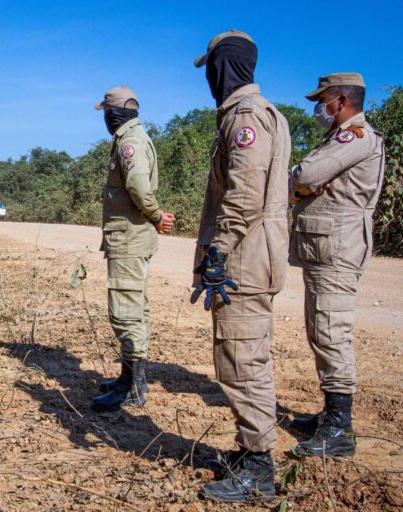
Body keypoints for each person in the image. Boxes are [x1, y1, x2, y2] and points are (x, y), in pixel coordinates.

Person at [190, 30, 291, 502]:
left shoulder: (246, 117)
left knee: (240, 361)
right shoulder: (261, 114)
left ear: (220, 68)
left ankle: (258, 469)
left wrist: (218, 250)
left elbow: (245, 194)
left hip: (243, 261)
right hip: (252, 257)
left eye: (210, 69)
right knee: (247, 356)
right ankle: (252, 453)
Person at [287, 73, 386, 458]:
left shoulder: (354, 137)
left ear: (341, 100)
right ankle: (330, 412)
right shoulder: (337, 139)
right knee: (320, 328)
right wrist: (302, 186)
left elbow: (305, 174)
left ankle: (339, 429)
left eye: (323, 100)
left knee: (331, 330)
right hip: (326, 248)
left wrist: (301, 183)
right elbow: (305, 181)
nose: (318, 107)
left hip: (338, 249)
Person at [91, 86, 176, 412]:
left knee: (125, 311)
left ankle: (132, 386)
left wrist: (155, 214)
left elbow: (138, 185)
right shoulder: (133, 138)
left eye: (105, 113)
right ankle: (131, 379)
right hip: (128, 237)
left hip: (127, 238)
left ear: (113, 114)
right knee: (134, 308)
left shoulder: (130, 143)